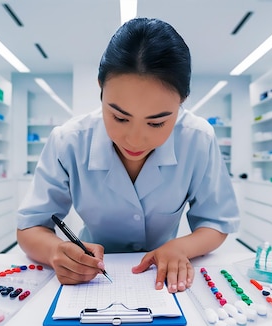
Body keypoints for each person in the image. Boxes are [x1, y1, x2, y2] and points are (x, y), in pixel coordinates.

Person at [16, 17, 239, 293]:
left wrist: (179, 247)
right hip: (91, 280)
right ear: (101, 87)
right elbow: (29, 228)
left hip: (162, 280)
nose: (134, 139)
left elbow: (216, 222)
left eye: (157, 123)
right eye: (120, 117)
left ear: (182, 100)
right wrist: (56, 251)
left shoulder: (198, 138)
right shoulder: (68, 141)